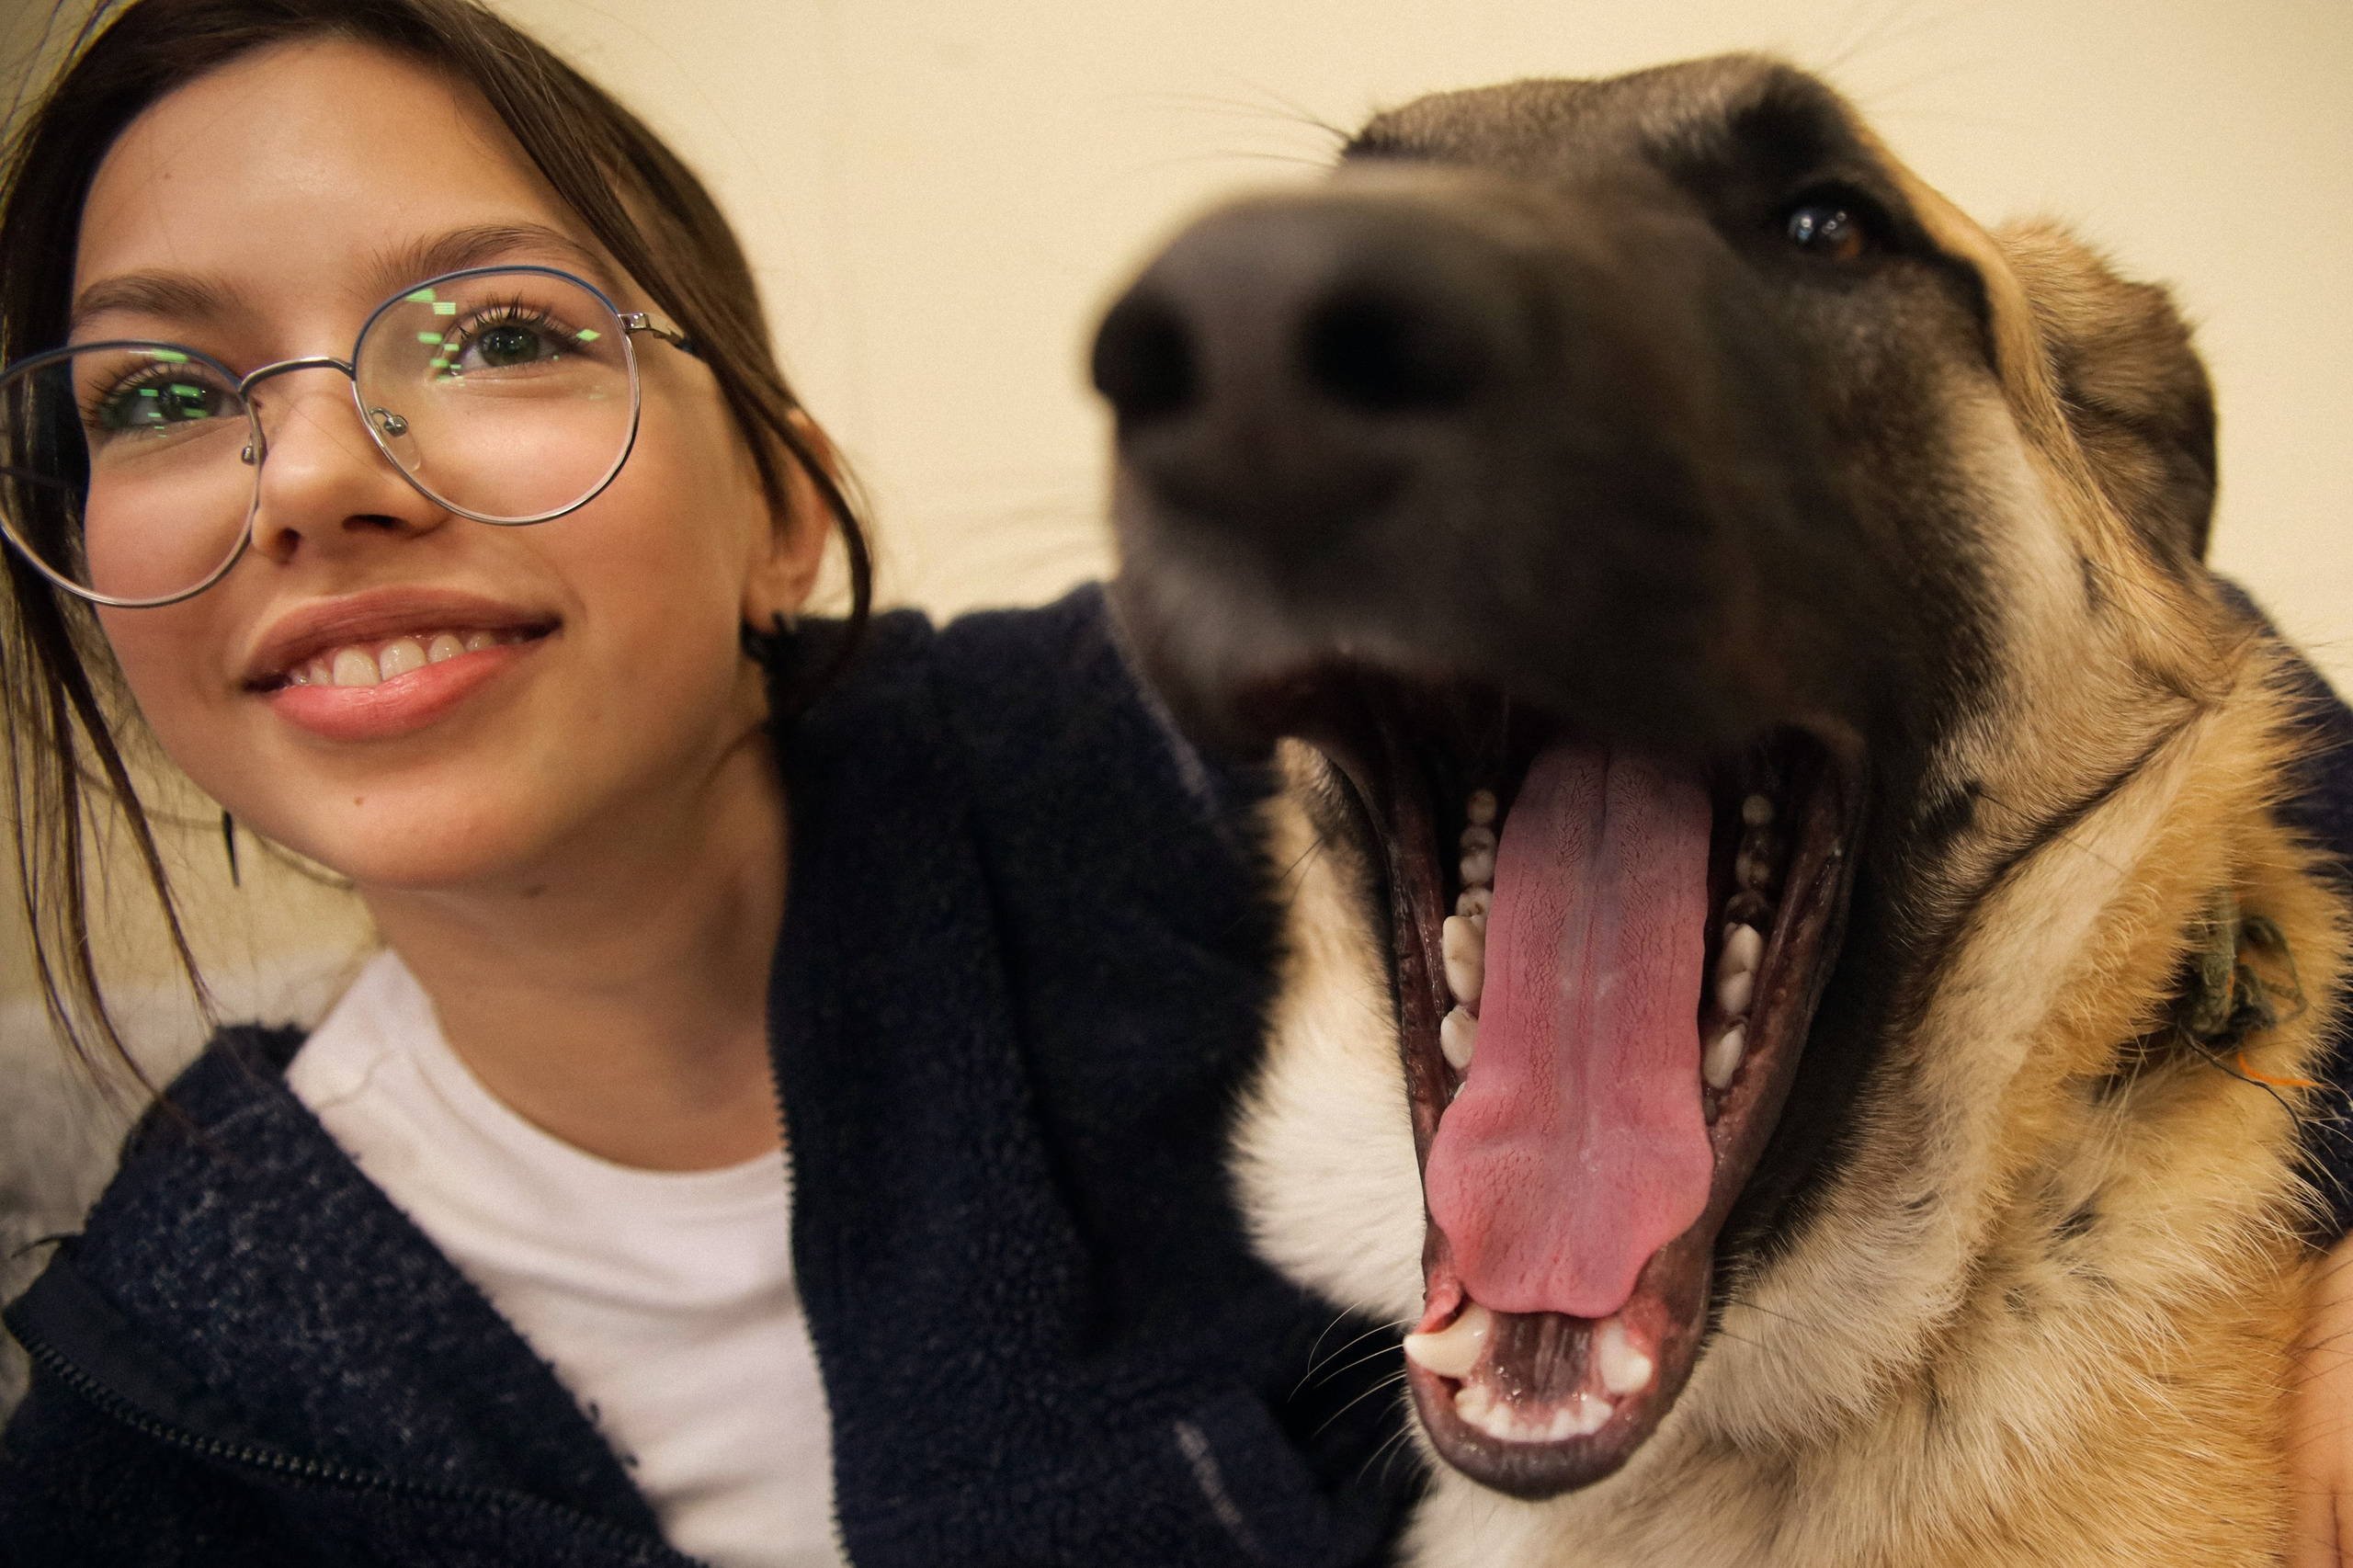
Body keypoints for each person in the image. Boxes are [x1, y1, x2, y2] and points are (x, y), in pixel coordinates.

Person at [0, 2, 1411, 1564]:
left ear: (782, 511)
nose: (316, 478)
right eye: (162, 397)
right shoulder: (163, 1399)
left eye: (498, 335)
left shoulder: (1219, 766)